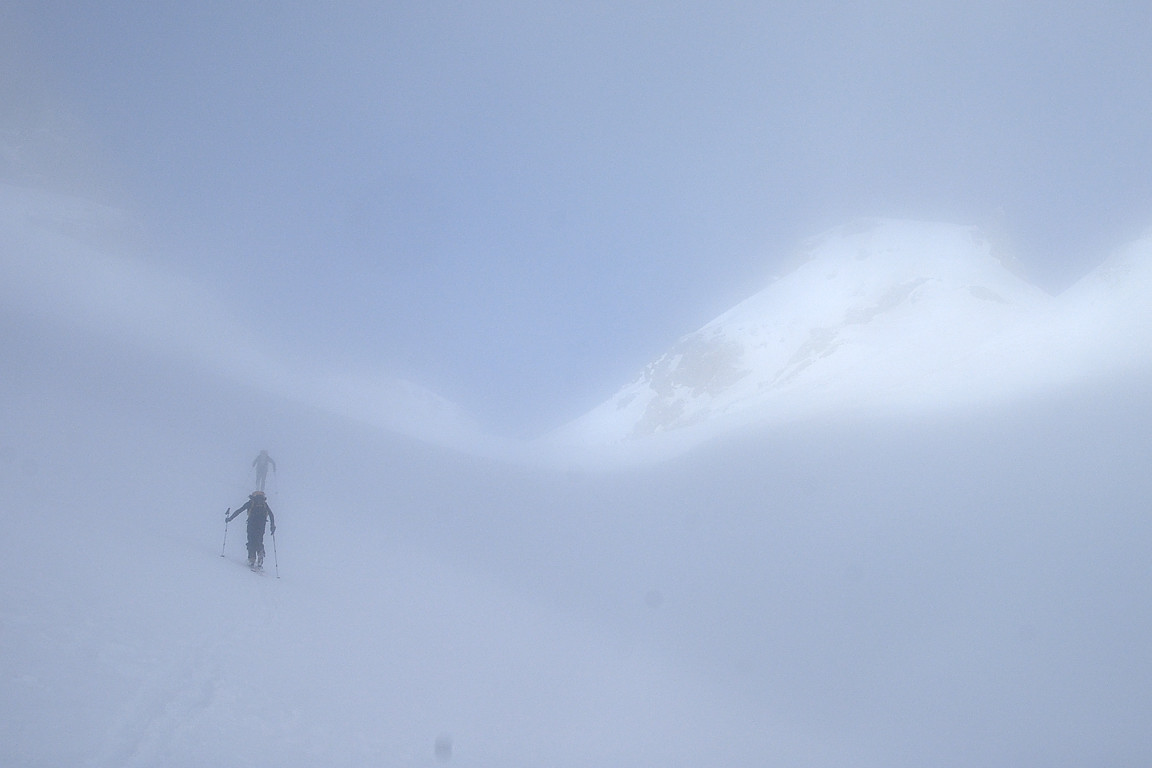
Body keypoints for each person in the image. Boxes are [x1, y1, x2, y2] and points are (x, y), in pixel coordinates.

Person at [227, 491, 276, 569]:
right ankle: (260, 552)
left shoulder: (251, 503)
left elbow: (239, 510)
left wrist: (230, 519)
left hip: (251, 524)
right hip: (261, 525)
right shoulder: (264, 504)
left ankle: (252, 559)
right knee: (259, 540)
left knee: (251, 540)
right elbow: (271, 514)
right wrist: (272, 526)